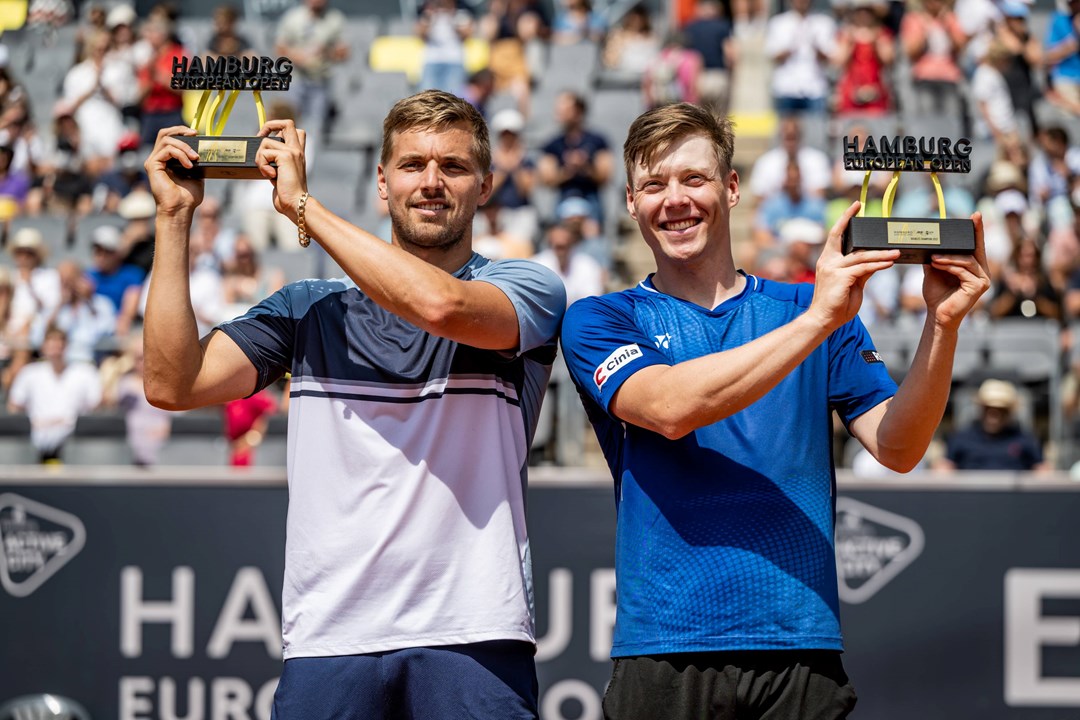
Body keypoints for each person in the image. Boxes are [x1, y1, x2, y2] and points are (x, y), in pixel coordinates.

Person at [559, 103, 990, 719]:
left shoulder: (813, 310)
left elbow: (899, 447)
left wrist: (941, 327)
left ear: (732, 188)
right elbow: (672, 407)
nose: (675, 199)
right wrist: (818, 319)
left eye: (694, 178)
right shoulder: (601, 318)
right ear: (630, 202)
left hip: (801, 652)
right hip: (665, 653)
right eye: (654, 184)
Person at [142, 89, 565, 718]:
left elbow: (440, 306)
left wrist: (304, 208)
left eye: (452, 167)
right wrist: (174, 219)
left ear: (485, 185)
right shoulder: (306, 306)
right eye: (412, 165)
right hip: (330, 637)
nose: (431, 182)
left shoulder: (527, 287)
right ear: (381, 182)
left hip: (475, 632)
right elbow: (173, 384)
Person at [8, 326, 101, 463]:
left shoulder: (85, 373)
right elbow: (14, 405)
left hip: (74, 441)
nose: (55, 351)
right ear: (43, 347)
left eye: (59, 346)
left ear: (66, 346)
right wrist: (32, 423)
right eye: (51, 346)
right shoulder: (29, 373)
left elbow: (97, 406)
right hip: (35, 441)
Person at [935, 378, 1048, 471]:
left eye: (1001, 410)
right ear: (981, 409)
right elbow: (944, 468)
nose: (993, 416)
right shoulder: (960, 438)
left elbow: (1043, 471)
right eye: (988, 409)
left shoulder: (1026, 440)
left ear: (1009, 413)